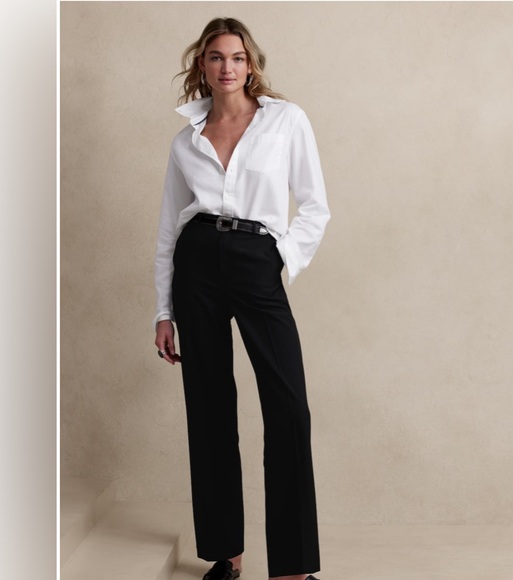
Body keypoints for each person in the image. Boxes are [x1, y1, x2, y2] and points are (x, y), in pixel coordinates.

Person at [153, 17, 330, 580]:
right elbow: (168, 229)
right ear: (201, 66)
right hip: (197, 262)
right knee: (208, 408)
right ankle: (225, 556)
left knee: (288, 407)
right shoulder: (186, 140)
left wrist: (281, 257)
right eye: (215, 57)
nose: (226, 67)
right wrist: (163, 311)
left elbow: (315, 205)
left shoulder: (285, 120)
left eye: (236, 57)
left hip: (258, 259)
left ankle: (292, 567)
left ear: (250, 65)